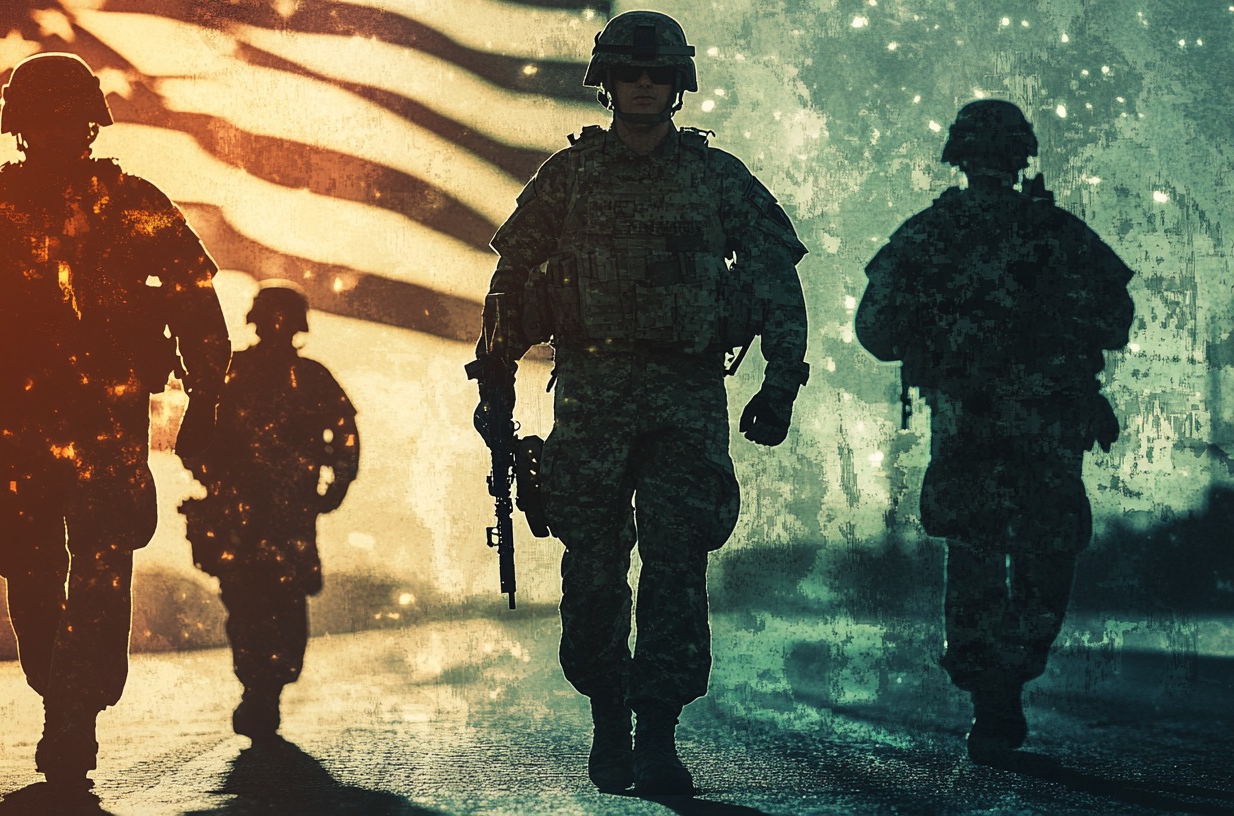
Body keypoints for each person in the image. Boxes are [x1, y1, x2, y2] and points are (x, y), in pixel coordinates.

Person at [469, 10, 809, 795]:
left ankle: (658, 732)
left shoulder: (716, 177)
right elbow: (512, 282)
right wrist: (496, 379)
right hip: (591, 391)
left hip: (688, 392)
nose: (645, 85)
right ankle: (607, 718)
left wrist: (780, 382)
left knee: (677, 567)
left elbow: (774, 281)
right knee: (592, 565)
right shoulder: (571, 177)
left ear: (678, 85)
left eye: (658, 75)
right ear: (609, 83)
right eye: (631, 74)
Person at [0, 52, 231, 787]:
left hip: (95, 414)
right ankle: (68, 693)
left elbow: (192, 297)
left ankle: (72, 703)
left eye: (62, 118)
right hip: (38, 413)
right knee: (34, 559)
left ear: (83, 123)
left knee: (95, 556)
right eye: (42, 118)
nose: (53, 130)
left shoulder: (119, 200)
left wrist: (209, 393)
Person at [856, 100, 1134, 763]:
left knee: (998, 554)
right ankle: (999, 690)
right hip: (1018, 423)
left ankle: (995, 690)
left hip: (988, 423)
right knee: (1025, 555)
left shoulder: (932, 234)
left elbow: (876, 330)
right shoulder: (1055, 232)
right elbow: (1116, 316)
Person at [180, 281, 359, 741]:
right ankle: (261, 688)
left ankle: (266, 688)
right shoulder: (235, 373)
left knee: (273, 601)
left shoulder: (303, 377)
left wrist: (337, 483)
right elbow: (194, 436)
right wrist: (213, 479)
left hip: (282, 514)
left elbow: (345, 436)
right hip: (248, 512)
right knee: (250, 602)